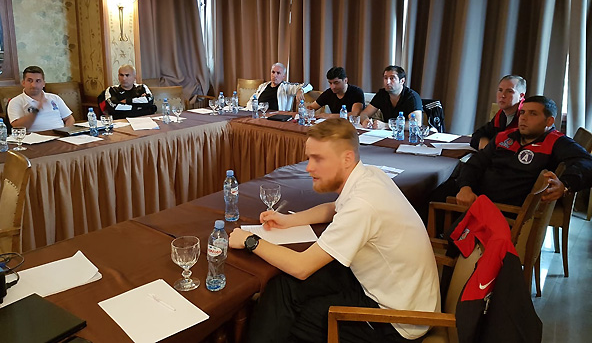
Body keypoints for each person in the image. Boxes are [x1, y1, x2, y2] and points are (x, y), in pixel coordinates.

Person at [229, 118, 440, 343]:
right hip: (389, 291)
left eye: (318, 159)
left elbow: (301, 267)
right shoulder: (370, 175)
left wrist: (251, 241)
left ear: (347, 158)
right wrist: (289, 220)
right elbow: (334, 208)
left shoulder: (362, 205)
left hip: (399, 321)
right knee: (282, 287)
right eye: (309, 158)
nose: (309, 167)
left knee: (286, 319)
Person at [432, 96, 592, 208]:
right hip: (477, 194)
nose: (524, 118)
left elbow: (587, 164)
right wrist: (465, 187)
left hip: (501, 207)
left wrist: (565, 184)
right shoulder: (505, 136)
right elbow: (476, 163)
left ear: (549, 121)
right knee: (434, 192)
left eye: (533, 114)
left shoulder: (556, 141)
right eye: (523, 112)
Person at [8, 65, 75, 132]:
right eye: (30, 81)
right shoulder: (15, 102)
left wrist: (66, 132)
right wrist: (36, 110)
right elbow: (17, 127)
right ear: (23, 83)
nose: (34, 85)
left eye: (38, 81)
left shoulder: (54, 98)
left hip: (60, 135)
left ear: (43, 83)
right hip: (35, 137)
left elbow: (69, 118)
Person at [470, 75, 526, 150]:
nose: (503, 95)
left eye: (509, 91)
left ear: (521, 96)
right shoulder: (501, 114)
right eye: (500, 90)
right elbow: (479, 133)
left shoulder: (525, 116)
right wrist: (482, 141)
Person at [246, 62, 312, 111]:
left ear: (283, 76)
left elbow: (308, 86)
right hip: (259, 114)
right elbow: (252, 100)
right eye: (273, 72)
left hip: (276, 117)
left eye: (278, 73)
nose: (275, 75)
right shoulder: (263, 86)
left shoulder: (287, 87)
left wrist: (301, 90)